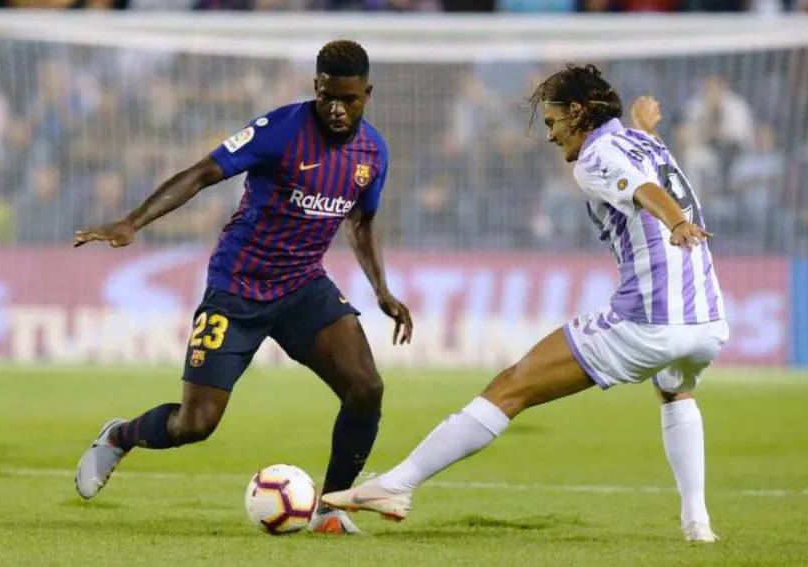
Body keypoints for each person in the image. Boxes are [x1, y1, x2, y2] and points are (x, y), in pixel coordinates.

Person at [322, 64, 729, 543]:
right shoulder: (646, 144)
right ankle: (698, 524)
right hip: (708, 320)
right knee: (675, 392)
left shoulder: (595, 157)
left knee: (510, 387)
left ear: (578, 112)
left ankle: (396, 485)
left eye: (553, 122)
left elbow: (644, 190)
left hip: (648, 317)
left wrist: (676, 224)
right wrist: (647, 126)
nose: (552, 136)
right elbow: (650, 172)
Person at [72, 39, 413, 536]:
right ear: (315, 88)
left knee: (366, 388)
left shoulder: (373, 151)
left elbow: (361, 221)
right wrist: (133, 221)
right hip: (237, 288)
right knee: (195, 424)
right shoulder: (280, 130)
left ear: (367, 94)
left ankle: (331, 509)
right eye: (327, 97)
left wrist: (381, 289)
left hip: (303, 286)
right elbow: (202, 173)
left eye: (349, 99)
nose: (337, 109)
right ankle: (119, 436)